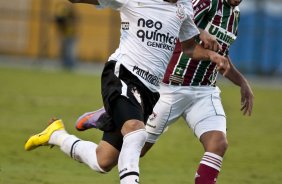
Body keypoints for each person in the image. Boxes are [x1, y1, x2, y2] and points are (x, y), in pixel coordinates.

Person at [24, 0, 230, 184]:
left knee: (103, 161)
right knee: (136, 132)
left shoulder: (183, 7)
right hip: (122, 73)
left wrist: (212, 55)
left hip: (149, 91)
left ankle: (56, 134)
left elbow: (189, 48)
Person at [76, 0, 253, 183]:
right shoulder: (205, 3)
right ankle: (110, 114)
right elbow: (174, 24)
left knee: (218, 143)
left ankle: (117, 111)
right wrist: (200, 32)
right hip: (171, 89)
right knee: (125, 152)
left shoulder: (235, 15)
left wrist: (242, 82)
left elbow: (222, 55)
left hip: (204, 91)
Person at [55, 2, 78, 70]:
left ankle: (70, 65)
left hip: (71, 35)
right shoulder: (63, 15)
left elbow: (74, 24)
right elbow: (59, 21)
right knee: (63, 50)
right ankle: (64, 64)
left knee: (70, 51)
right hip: (64, 35)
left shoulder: (72, 16)